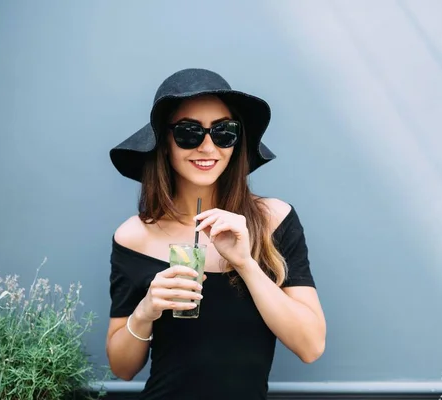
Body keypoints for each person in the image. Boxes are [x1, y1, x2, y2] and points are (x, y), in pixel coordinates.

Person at [106, 68, 326, 400]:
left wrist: (246, 265)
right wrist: (146, 309)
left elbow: (311, 346)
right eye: (189, 132)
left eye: (224, 132)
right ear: (163, 143)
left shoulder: (274, 220)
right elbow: (122, 369)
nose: (208, 147)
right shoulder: (134, 236)